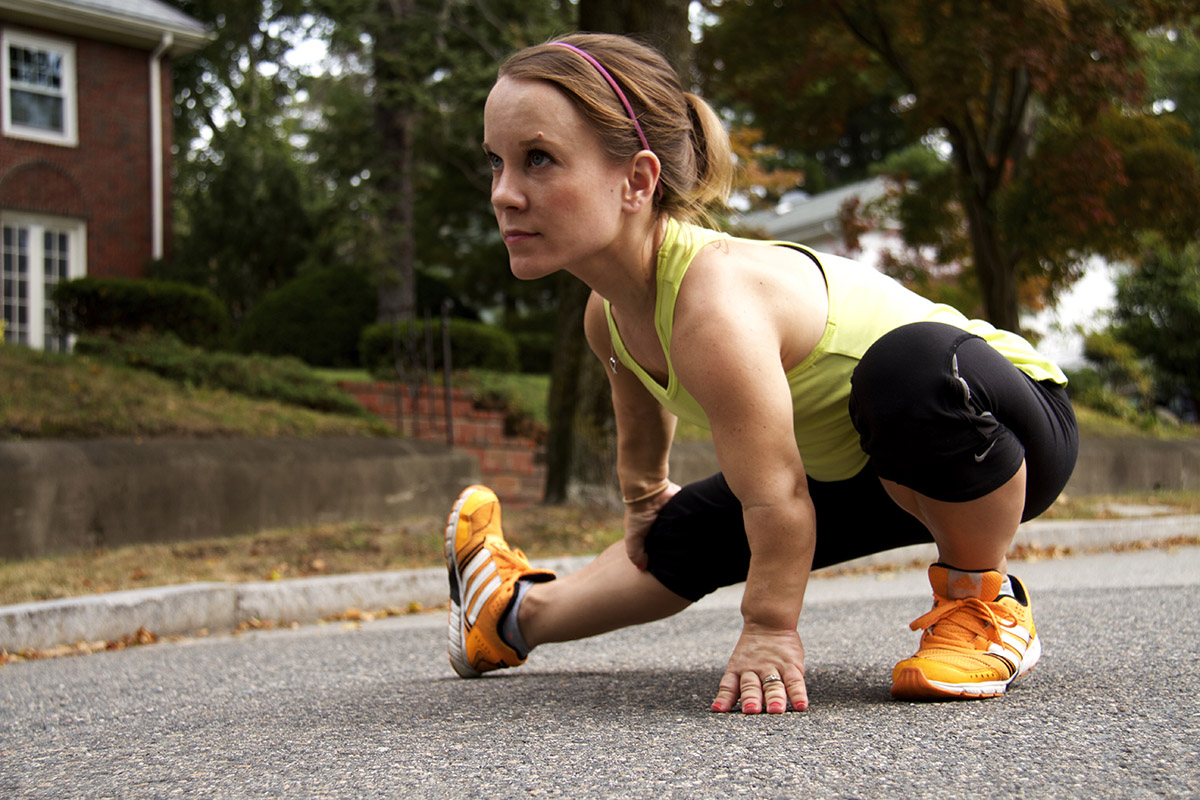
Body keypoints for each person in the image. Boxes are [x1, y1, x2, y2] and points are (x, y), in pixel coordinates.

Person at [445, 32, 1078, 714]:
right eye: (496, 164)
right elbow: (636, 402)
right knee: (682, 534)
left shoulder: (714, 302)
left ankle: (982, 602)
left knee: (906, 369)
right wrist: (646, 500)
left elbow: (779, 498)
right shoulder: (608, 312)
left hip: (995, 425)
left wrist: (769, 630)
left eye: (538, 159)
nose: (504, 194)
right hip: (864, 462)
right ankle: (508, 617)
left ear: (637, 181)